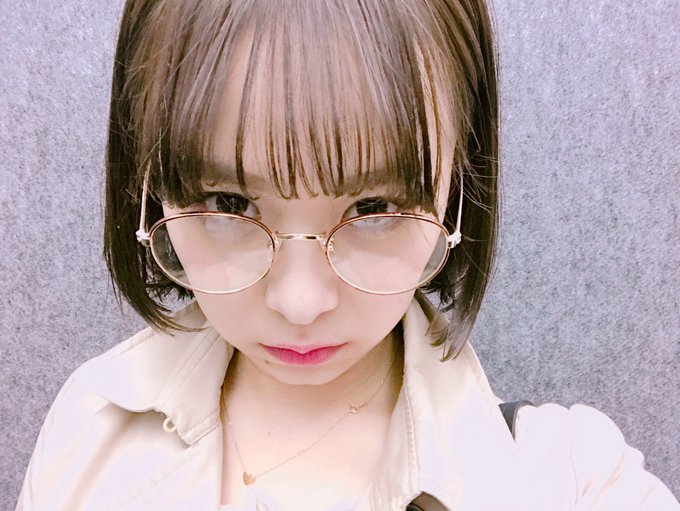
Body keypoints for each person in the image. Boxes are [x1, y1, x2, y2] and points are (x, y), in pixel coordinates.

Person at [16, 0, 679, 510]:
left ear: (455, 186)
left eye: (372, 208)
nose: (300, 302)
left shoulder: (568, 480)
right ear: (150, 184)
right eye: (229, 203)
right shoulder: (89, 430)